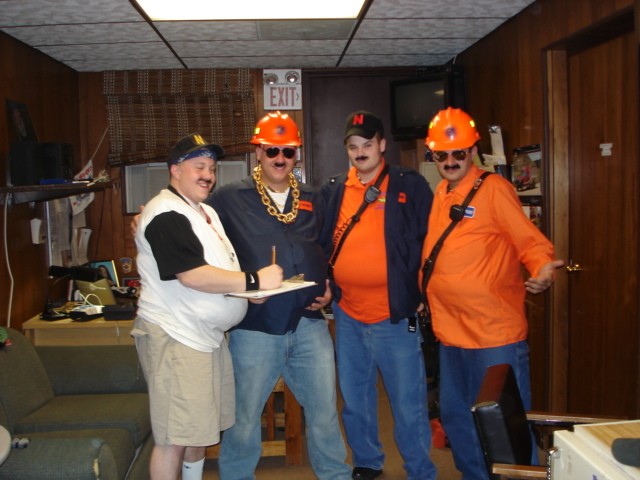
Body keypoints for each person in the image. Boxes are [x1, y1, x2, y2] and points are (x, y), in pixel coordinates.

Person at [421, 107, 564, 480]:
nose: (450, 161)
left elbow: (530, 243)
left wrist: (542, 268)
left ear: (472, 152)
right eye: (441, 155)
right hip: (451, 335)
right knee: (456, 416)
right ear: (433, 155)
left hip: (494, 335)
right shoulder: (441, 192)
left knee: (503, 426)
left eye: (458, 153)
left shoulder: (495, 189)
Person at [208, 111, 352, 480]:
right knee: (243, 418)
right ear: (258, 151)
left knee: (323, 412)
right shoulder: (229, 198)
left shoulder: (312, 198)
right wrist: (150, 214)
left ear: (297, 156)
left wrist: (330, 285)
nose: (279, 159)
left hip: (309, 323)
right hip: (255, 327)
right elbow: (198, 234)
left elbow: (325, 246)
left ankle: (335, 475)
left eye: (288, 152)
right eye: (272, 150)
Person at [132, 133, 283, 480]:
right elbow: (192, 276)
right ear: (174, 170)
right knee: (174, 437)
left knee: (200, 431)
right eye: (199, 167)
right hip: (176, 338)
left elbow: (217, 271)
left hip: (206, 338)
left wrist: (241, 293)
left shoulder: (205, 211)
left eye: (212, 169)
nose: (208, 175)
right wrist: (254, 281)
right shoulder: (165, 213)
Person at [319, 111, 437, 480]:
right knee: (356, 401)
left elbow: (431, 243)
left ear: (382, 145)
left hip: (395, 316)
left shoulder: (409, 184)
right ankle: (368, 461)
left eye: (367, 144)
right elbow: (318, 241)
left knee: (408, 404)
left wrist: (423, 291)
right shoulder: (334, 189)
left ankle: (420, 469)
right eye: (353, 146)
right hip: (348, 314)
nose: (360, 152)